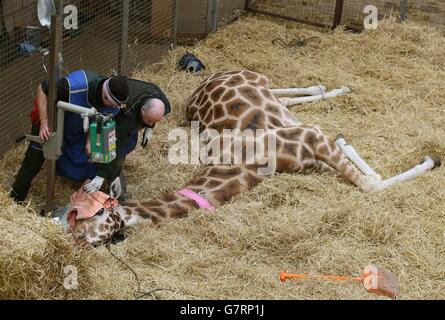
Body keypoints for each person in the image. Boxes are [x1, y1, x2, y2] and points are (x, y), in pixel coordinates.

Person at [9, 69, 133, 203]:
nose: (115, 108)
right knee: (34, 160)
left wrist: (90, 143)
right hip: (52, 120)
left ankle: (87, 196)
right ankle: (15, 199)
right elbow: (42, 89)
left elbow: (99, 127)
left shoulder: (113, 105)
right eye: (113, 104)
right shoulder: (74, 86)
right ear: (106, 96)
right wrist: (44, 122)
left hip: (77, 125)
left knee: (92, 155)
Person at [83, 76, 172, 197]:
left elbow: (157, 112)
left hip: (130, 104)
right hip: (107, 102)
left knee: (124, 148)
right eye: (150, 120)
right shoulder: (127, 117)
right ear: (142, 110)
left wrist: (149, 128)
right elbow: (111, 143)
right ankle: (105, 183)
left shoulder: (161, 100)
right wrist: (100, 175)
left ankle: (113, 184)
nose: (151, 123)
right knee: (115, 150)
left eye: (155, 121)